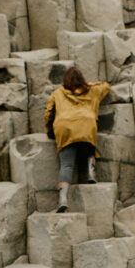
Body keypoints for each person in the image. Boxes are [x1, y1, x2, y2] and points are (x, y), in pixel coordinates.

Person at [44, 66, 111, 213]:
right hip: (86, 125)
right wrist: (90, 84)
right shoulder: (92, 90)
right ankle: (91, 171)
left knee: (66, 165)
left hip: (65, 128)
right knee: (89, 145)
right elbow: (106, 86)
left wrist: (50, 131)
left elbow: (49, 112)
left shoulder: (58, 92)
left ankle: (63, 198)